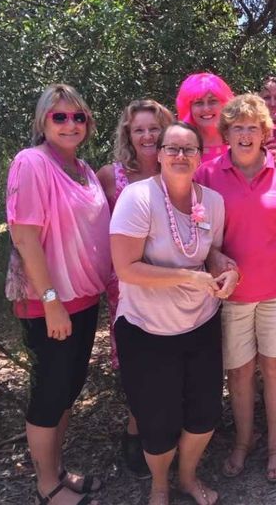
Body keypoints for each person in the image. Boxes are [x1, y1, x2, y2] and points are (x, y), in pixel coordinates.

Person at [110, 122, 239, 505]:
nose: (180, 156)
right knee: (157, 422)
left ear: (201, 156)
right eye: (172, 149)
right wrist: (187, 278)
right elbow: (126, 268)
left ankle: (187, 477)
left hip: (199, 323)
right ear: (160, 153)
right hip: (146, 330)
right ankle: (159, 486)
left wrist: (226, 269)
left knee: (205, 413)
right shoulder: (138, 198)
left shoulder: (212, 202)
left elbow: (210, 252)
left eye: (189, 150)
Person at [195, 94, 276, 483]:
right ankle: (244, 442)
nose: (245, 135)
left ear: (265, 133)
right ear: (226, 133)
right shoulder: (207, 175)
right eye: (237, 127)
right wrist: (215, 258)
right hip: (231, 295)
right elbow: (200, 236)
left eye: (253, 127)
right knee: (240, 371)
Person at [5, 84, 111, 505]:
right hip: (48, 304)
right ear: (42, 122)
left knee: (67, 388)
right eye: (59, 117)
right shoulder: (31, 163)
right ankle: (46, 484)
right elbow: (25, 237)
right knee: (49, 392)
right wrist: (50, 301)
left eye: (78, 117)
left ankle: (59, 469)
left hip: (83, 299)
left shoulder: (83, 169)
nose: (70, 124)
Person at [96, 99, 174, 476]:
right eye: (139, 129)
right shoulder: (110, 176)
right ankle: (136, 429)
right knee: (138, 362)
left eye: (154, 128)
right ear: (128, 133)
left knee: (171, 358)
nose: (147, 135)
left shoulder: (178, 169)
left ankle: (167, 432)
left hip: (174, 283)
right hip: (127, 287)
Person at [175, 72, 235, 162]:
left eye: (212, 101)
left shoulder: (238, 141)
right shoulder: (178, 146)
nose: (206, 109)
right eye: (198, 103)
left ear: (224, 104)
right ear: (188, 108)